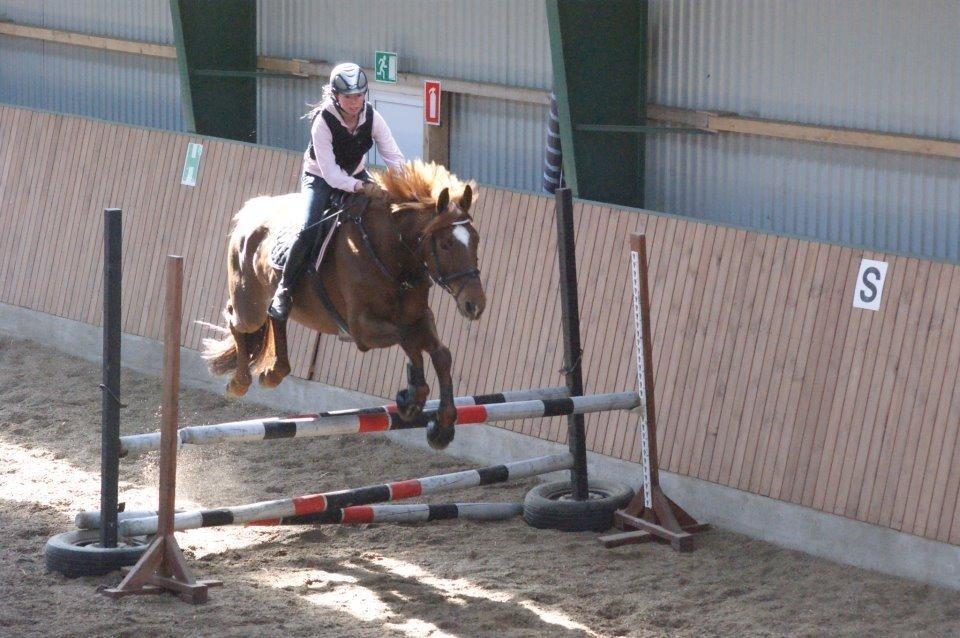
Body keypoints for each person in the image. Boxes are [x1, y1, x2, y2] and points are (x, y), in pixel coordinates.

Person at [268, 62, 406, 321]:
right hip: (319, 179)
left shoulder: (373, 117)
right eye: (348, 97)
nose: (355, 102)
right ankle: (284, 290)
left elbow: (393, 156)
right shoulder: (322, 122)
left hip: (354, 175)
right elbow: (331, 175)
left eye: (359, 95)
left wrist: (406, 186)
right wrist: (363, 187)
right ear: (335, 95)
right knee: (309, 227)